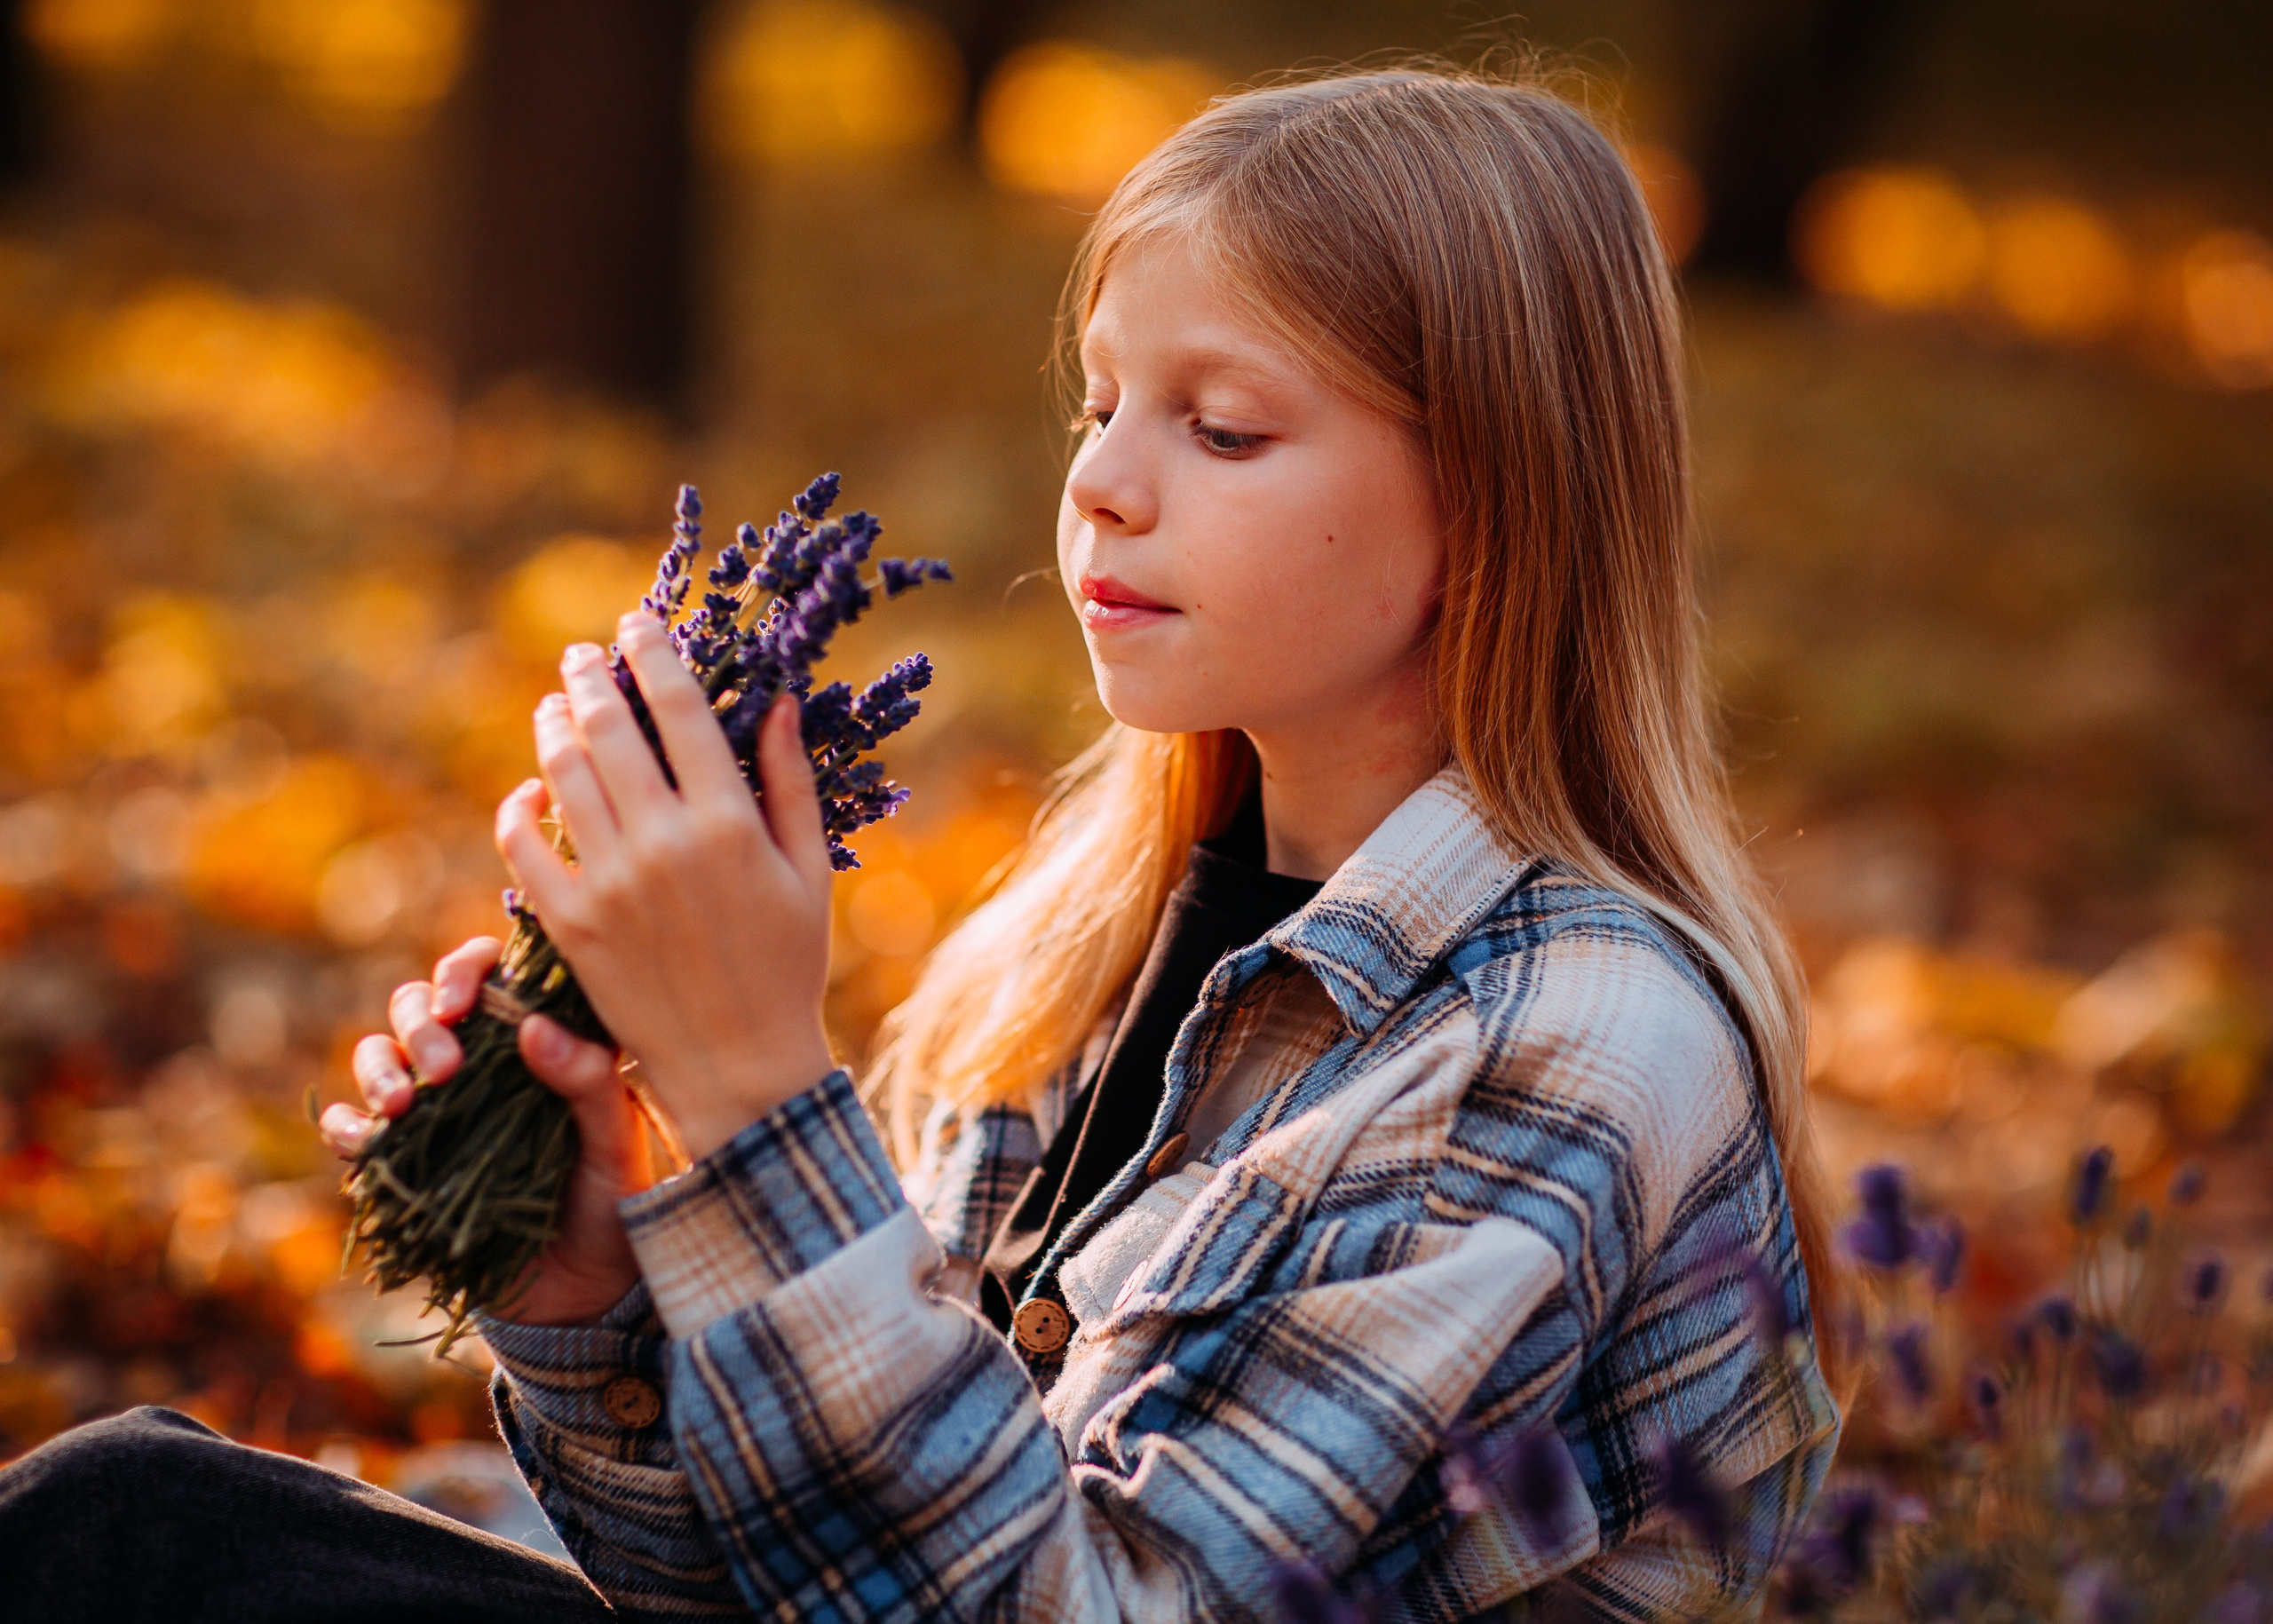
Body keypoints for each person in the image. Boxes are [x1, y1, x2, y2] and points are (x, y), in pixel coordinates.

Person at [0, 63, 1841, 1622]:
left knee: (135, 1542)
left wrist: (747, 1088)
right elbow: (822, 1572)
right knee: (140, 1509)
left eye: (1220, 425)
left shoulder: (1572, 1039)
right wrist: (590, 1307)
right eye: (1099, 401)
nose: (1106, 479)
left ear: (1497, 499)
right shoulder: (1073, 963)